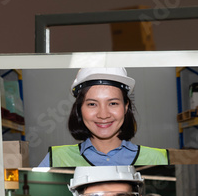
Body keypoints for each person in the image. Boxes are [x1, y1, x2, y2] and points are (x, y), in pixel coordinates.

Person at [38, 67, 170, 167]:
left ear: (125, 107)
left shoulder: (158, 158)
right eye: (92, 104)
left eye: (113, 103)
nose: (103, 115)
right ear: (80, 109)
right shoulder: (56, 158)